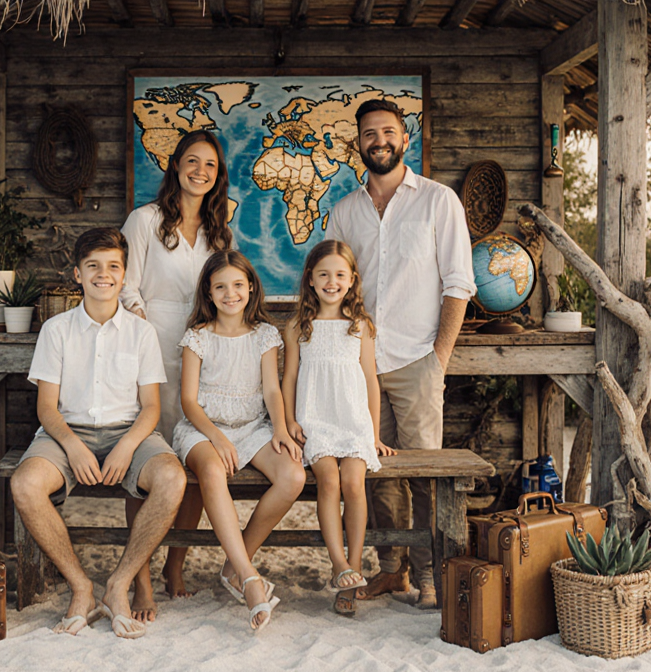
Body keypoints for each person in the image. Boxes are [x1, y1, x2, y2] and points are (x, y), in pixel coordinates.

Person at [326, 98, 475, 609]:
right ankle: (392, 571)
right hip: (360, 363)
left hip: (416, 360)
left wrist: (439, 358)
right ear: (359, 144)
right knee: (374, 473)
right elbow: (332, 285)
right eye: (369, 134)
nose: (379, 141)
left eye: (388, 132)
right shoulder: (344, 211)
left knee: (423, 476)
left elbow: (459, 284)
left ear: (404, 138)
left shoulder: (438, 201)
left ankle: (430, 576)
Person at [9, 227, 187, 639]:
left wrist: (126, 447)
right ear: (77, 273)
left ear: (124, 275)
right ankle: (82, 587)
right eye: (93, 266)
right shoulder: (56, 330)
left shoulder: (142, 333)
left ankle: (119, 584)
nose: (103, 274)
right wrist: (71, 446)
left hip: (130, 431)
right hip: (65, 432)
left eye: (112, 267)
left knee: (172, 477)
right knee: (24, 484)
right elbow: (46, 408)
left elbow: (151, 408)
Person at [120, 130, 234, 617]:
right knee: (146, 466)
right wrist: (145, 337)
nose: (201, 171)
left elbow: (229, 285)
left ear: (217, 174)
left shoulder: (220, 229)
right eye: (193, 161)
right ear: (176, 166)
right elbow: (126, 288)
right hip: (151, 350)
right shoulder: (144, 220)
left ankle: (176, 563)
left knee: (193, 460)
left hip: (204, 355)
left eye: (210, 165)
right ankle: (140, 577)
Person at [171, 250, 306, 631]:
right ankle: (249, 580)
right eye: (220, 287)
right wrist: (215, 437)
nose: (230, 294)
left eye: (237, 285)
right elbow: (187, 400)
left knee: (293, 477)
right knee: (212, 472)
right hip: (203, 427)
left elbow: (272, 391)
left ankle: (235, 562)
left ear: (251, 287)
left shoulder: (265, 335)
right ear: (208, 294)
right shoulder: (197, 337)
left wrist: (279, 428)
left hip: (252, 426)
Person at [282, 240, 394, 616]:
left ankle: (356, 565)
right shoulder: (300, 325)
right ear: (310, 280)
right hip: (315, 419)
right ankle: (338, 565)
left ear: (352, 280)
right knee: (328, 481)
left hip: (352, 421)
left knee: (353, 482)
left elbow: (370, 380)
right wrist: (290, 421)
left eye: (339, 275)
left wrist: (374, 434)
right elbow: (290, 377)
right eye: (323, 274)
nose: (332, 281)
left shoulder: (360, 326)